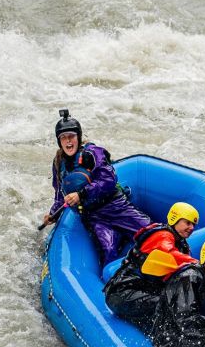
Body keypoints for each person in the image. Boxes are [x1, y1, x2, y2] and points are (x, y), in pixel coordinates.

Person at [43, 109, 150, 265]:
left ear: (78, 137)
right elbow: (61, 194)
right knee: (108, 254)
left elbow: (108, 180)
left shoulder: (92, 153)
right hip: (93, 217)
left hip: (115, 206)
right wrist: (54, 214)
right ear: (59, 141)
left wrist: (81, 194)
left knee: (151, 233)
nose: (68, 141)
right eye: (63, 138)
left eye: (71, 136)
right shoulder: (59, 162)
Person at [103, 202, 200, 333]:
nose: (191, 227)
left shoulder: (182, 246)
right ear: (175, 219)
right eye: (187, 223)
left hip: (143, 294)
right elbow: (169, 253)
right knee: (169, 308)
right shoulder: (162, 236)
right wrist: (200, 266)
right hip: (122, 293)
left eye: (193, 224)